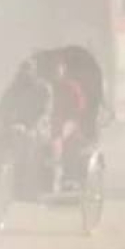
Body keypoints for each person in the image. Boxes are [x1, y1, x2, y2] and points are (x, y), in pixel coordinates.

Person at [49, 59, 86, 189]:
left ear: (63, 72)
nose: (57, 73)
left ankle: (64, 176)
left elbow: (80, 106)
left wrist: (69, 118)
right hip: (51, 122)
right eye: (55, 71)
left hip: (69, 122)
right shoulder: (48, 87)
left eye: (59, 70)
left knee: (60, 139)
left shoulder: (72, 87)